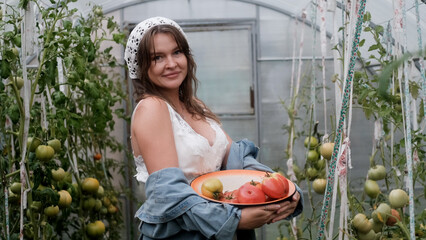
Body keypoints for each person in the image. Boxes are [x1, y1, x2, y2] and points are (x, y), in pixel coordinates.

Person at [124, 16, 303, 240]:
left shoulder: (195, 106)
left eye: (177, 52)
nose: (171, 63)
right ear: (141, 67)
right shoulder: (152, 108)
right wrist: (234, 219)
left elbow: (236, 159)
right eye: (157, 57)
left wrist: (280, 188)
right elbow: (169, 194)